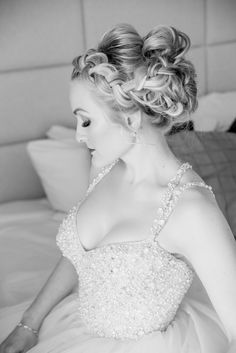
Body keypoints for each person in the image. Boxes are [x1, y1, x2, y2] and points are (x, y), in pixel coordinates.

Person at [0, 23, 236, 353]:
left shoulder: (191, 210)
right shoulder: (104, 166)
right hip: (71, 328)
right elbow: (81, 256)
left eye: (86, 120)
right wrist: (29, 323)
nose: (79, 136)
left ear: (130, 119)